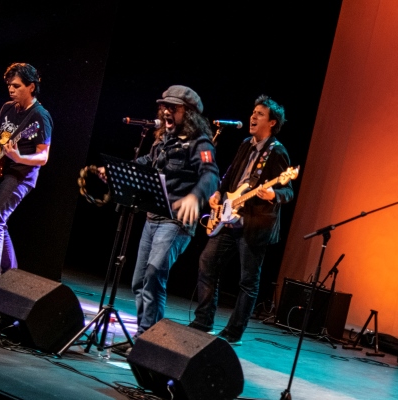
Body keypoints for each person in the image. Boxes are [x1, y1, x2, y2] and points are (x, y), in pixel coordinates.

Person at [188, 95, 294, 345]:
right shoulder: (246, 144)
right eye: (253, 112)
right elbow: (230, 175)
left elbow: (288, 191)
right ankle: (203, 320)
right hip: (228, 216)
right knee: (207, 263)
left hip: (254, 224)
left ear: (272, 122)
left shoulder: (278, 152)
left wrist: (273, 194)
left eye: (260, 114)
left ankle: (234, 332)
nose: (253, 116)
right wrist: (218, 193)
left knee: (247, 280)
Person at [121, 85, 219, 341]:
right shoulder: (164, 139)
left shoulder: (200, 142)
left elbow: (210, 175)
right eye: (165, 106)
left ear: (189, 113)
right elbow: (149, 161)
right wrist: (121, 170)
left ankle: (148, 340)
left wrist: (195, 196)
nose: (166, 111)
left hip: (175, 223)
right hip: (152, 218)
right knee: (139, 281)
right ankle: (145, 336)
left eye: (173, 108)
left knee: (153, 275)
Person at [0, 63, 53, 291]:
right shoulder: (7, 108)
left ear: (31, 86)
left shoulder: (40, 116)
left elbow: (43, 156)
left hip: (21, 175)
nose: (11, 90)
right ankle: (10, 278)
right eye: (9, 86)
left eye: (16, 86)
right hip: (1, 169)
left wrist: (19, 156)